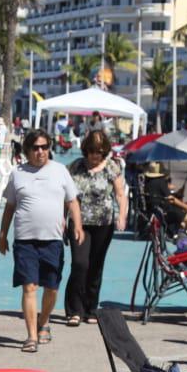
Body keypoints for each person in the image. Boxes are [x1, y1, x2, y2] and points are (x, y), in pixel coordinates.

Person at [0, 128, 82, 353]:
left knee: (52, 288)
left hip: (53, 240)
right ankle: (31, 336)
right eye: (35, 148)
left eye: (44, 147)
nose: (40, 151)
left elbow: (72, 201)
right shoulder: (18, 173)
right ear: (27, 150)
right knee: (29, 287)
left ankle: (44, 321)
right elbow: (10, 207)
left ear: (49, 148)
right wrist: (2, 235)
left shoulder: (60, 171)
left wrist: (78, 226)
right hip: (25, 241)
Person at [64, 130, 127, 326]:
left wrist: (122, 215)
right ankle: (74, 309)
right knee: (80, 264)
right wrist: (61, 219)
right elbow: (65, 195)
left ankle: (91, 308)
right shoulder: (75, 167)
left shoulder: (111, 167)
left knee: (96, 265)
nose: (95, 155)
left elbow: (120, 194)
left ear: (105, 151)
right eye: (91, 151)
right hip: (79, 222)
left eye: (99, 151)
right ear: (86, 150)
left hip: (103, 223)